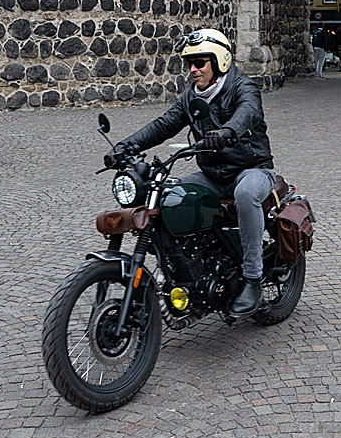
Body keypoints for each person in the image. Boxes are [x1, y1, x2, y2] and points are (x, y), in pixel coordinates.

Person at [112, 28, 276, 317]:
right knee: (169, 196)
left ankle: (252, 279)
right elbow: (164, 124)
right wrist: (127, 145)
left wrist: (227, 131)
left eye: (199, 62)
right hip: (212, 175)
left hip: (251, 169)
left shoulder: (243, 87)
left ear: (220, 60)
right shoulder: (192, 96)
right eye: (189, 63)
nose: (192, 69)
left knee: (246, 193)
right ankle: (181, 273)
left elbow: (248, 113)